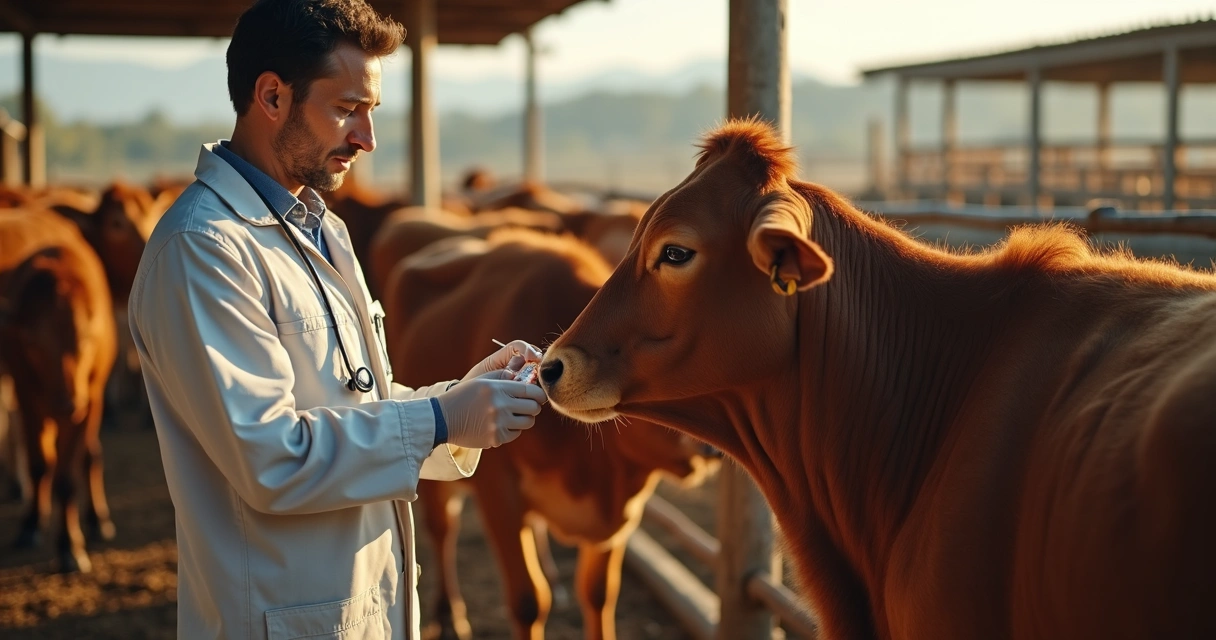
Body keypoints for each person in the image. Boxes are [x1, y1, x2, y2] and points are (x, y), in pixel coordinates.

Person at [126, 1, 548, 638]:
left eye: (371, 112)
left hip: (352, 607)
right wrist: (440, 419)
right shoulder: (203, 249)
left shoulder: (322, 229)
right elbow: (269, 458)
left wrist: (456, 398)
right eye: (348, 108)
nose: (367, 138)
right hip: (275, 617)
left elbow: (353, 403)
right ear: (272, 96)